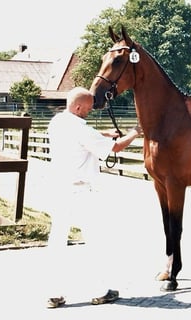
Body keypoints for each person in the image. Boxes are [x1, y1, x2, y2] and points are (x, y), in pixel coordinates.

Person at [45, 86, 142, 308]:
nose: (89, 112)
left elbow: (83, 135)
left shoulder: (58, 121)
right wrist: (135, 131)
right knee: (96, 240)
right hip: (80, 191)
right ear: (78, 107)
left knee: (57, 239)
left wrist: (105, 134)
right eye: (88, 109)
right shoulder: (82, 130)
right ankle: (100, 291)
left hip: (59, 188)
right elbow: (115, 148)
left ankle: (53, 294)